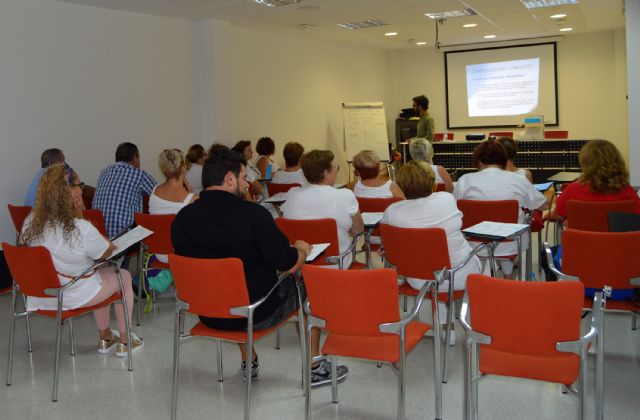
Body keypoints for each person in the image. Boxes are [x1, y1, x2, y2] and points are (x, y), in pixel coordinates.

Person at [171, 149, 348, 386]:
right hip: (253, 312)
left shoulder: (182, 219)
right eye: (244, 177)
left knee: (230, 282)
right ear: (229, 179)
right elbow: (288, 263)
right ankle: (315, 366)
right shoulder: (253, 215)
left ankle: (248, 359)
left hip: (208, 312)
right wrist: (302, 251)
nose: (247, 184)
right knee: (305, 284)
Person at [20, 165, 142, 357]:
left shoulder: (30, 221)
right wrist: (80, 212)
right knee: (123, 276)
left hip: (40, 295)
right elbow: (106, 252)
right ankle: (126, 341)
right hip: (72, 294)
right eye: (79, 185)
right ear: (68, 192)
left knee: (101, 275)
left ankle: (106, 337)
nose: (82, 189)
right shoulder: (80, 227)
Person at [382, 161, 483, 345]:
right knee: (477, 263)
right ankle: (476, 327)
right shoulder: (446, 199)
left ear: (401, 185)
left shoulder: (392, 212)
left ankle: (447, 328)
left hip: (419, 280)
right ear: (432, 182)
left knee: (434, 265)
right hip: (458, 276)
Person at [453, 140, 548, 278]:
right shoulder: (518, 180)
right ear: (504, 160)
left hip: (473, 243)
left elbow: (454, 207)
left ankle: (481, 275)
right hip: (511, 242)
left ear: (479, 161)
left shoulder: (464, 180)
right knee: (508, 232)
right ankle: (508, 277)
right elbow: (542, 205)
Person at [282, 150, 364, 269]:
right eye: (336, 167)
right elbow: (358, 229)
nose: (337, 170)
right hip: (337, 263)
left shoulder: (292, 194)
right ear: (326, 173)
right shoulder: (345, 195)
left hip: (302, 263)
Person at [556, 139, 640, 219]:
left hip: (582, 234)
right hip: (619, 234)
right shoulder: (627, 190)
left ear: (585, 163)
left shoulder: (572, 190)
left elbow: (558, 215)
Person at [92, 142, 157, 237]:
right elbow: (161, 195)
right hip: (125, 237)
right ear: (135, 157)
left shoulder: (104, 172)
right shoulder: (139, 174)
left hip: (99, 236)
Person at [149, 149, 197, 263]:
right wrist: (189, 188)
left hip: (158, 252)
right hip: (181, 254)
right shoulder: (192, 199)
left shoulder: (154, 191)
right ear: (183, 168)